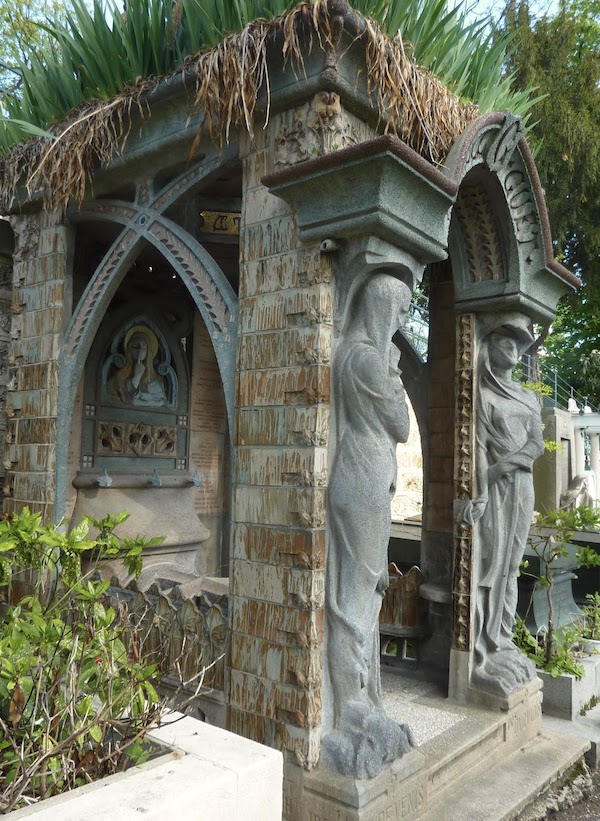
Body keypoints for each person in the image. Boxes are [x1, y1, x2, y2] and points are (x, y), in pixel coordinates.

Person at [322, 272, 414, 779]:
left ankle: (362, 697)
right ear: (380, 309)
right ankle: (352, 707)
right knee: (355, 602)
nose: (401, 323)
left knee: (363, 594)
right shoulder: (368, 361)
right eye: (398, 312)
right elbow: (401, 424)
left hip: (360, 478)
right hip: (362, 480)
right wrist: (394, 373)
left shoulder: (353, 356)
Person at [463, 314, 544, 696]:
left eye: (516, 342)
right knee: (490, 561)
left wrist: (507, 464)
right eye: (503, 340)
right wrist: (484, 487)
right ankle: (485, 644)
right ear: (489, 348)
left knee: (511, 564)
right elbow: (477, 448)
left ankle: (504, 639)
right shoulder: (482, 394)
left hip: (520, 486)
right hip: (494, 490)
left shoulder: (528, 396)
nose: (511, 347)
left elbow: (536, 444)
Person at [108, 325, 167, 407]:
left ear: (148, 351)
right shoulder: (120, 376)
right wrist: (137, 376)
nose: (140, 350)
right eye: (136, 347)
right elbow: (126, 398)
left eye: (144, 347)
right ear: (129, 350)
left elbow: (160, 401)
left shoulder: (156, 380)